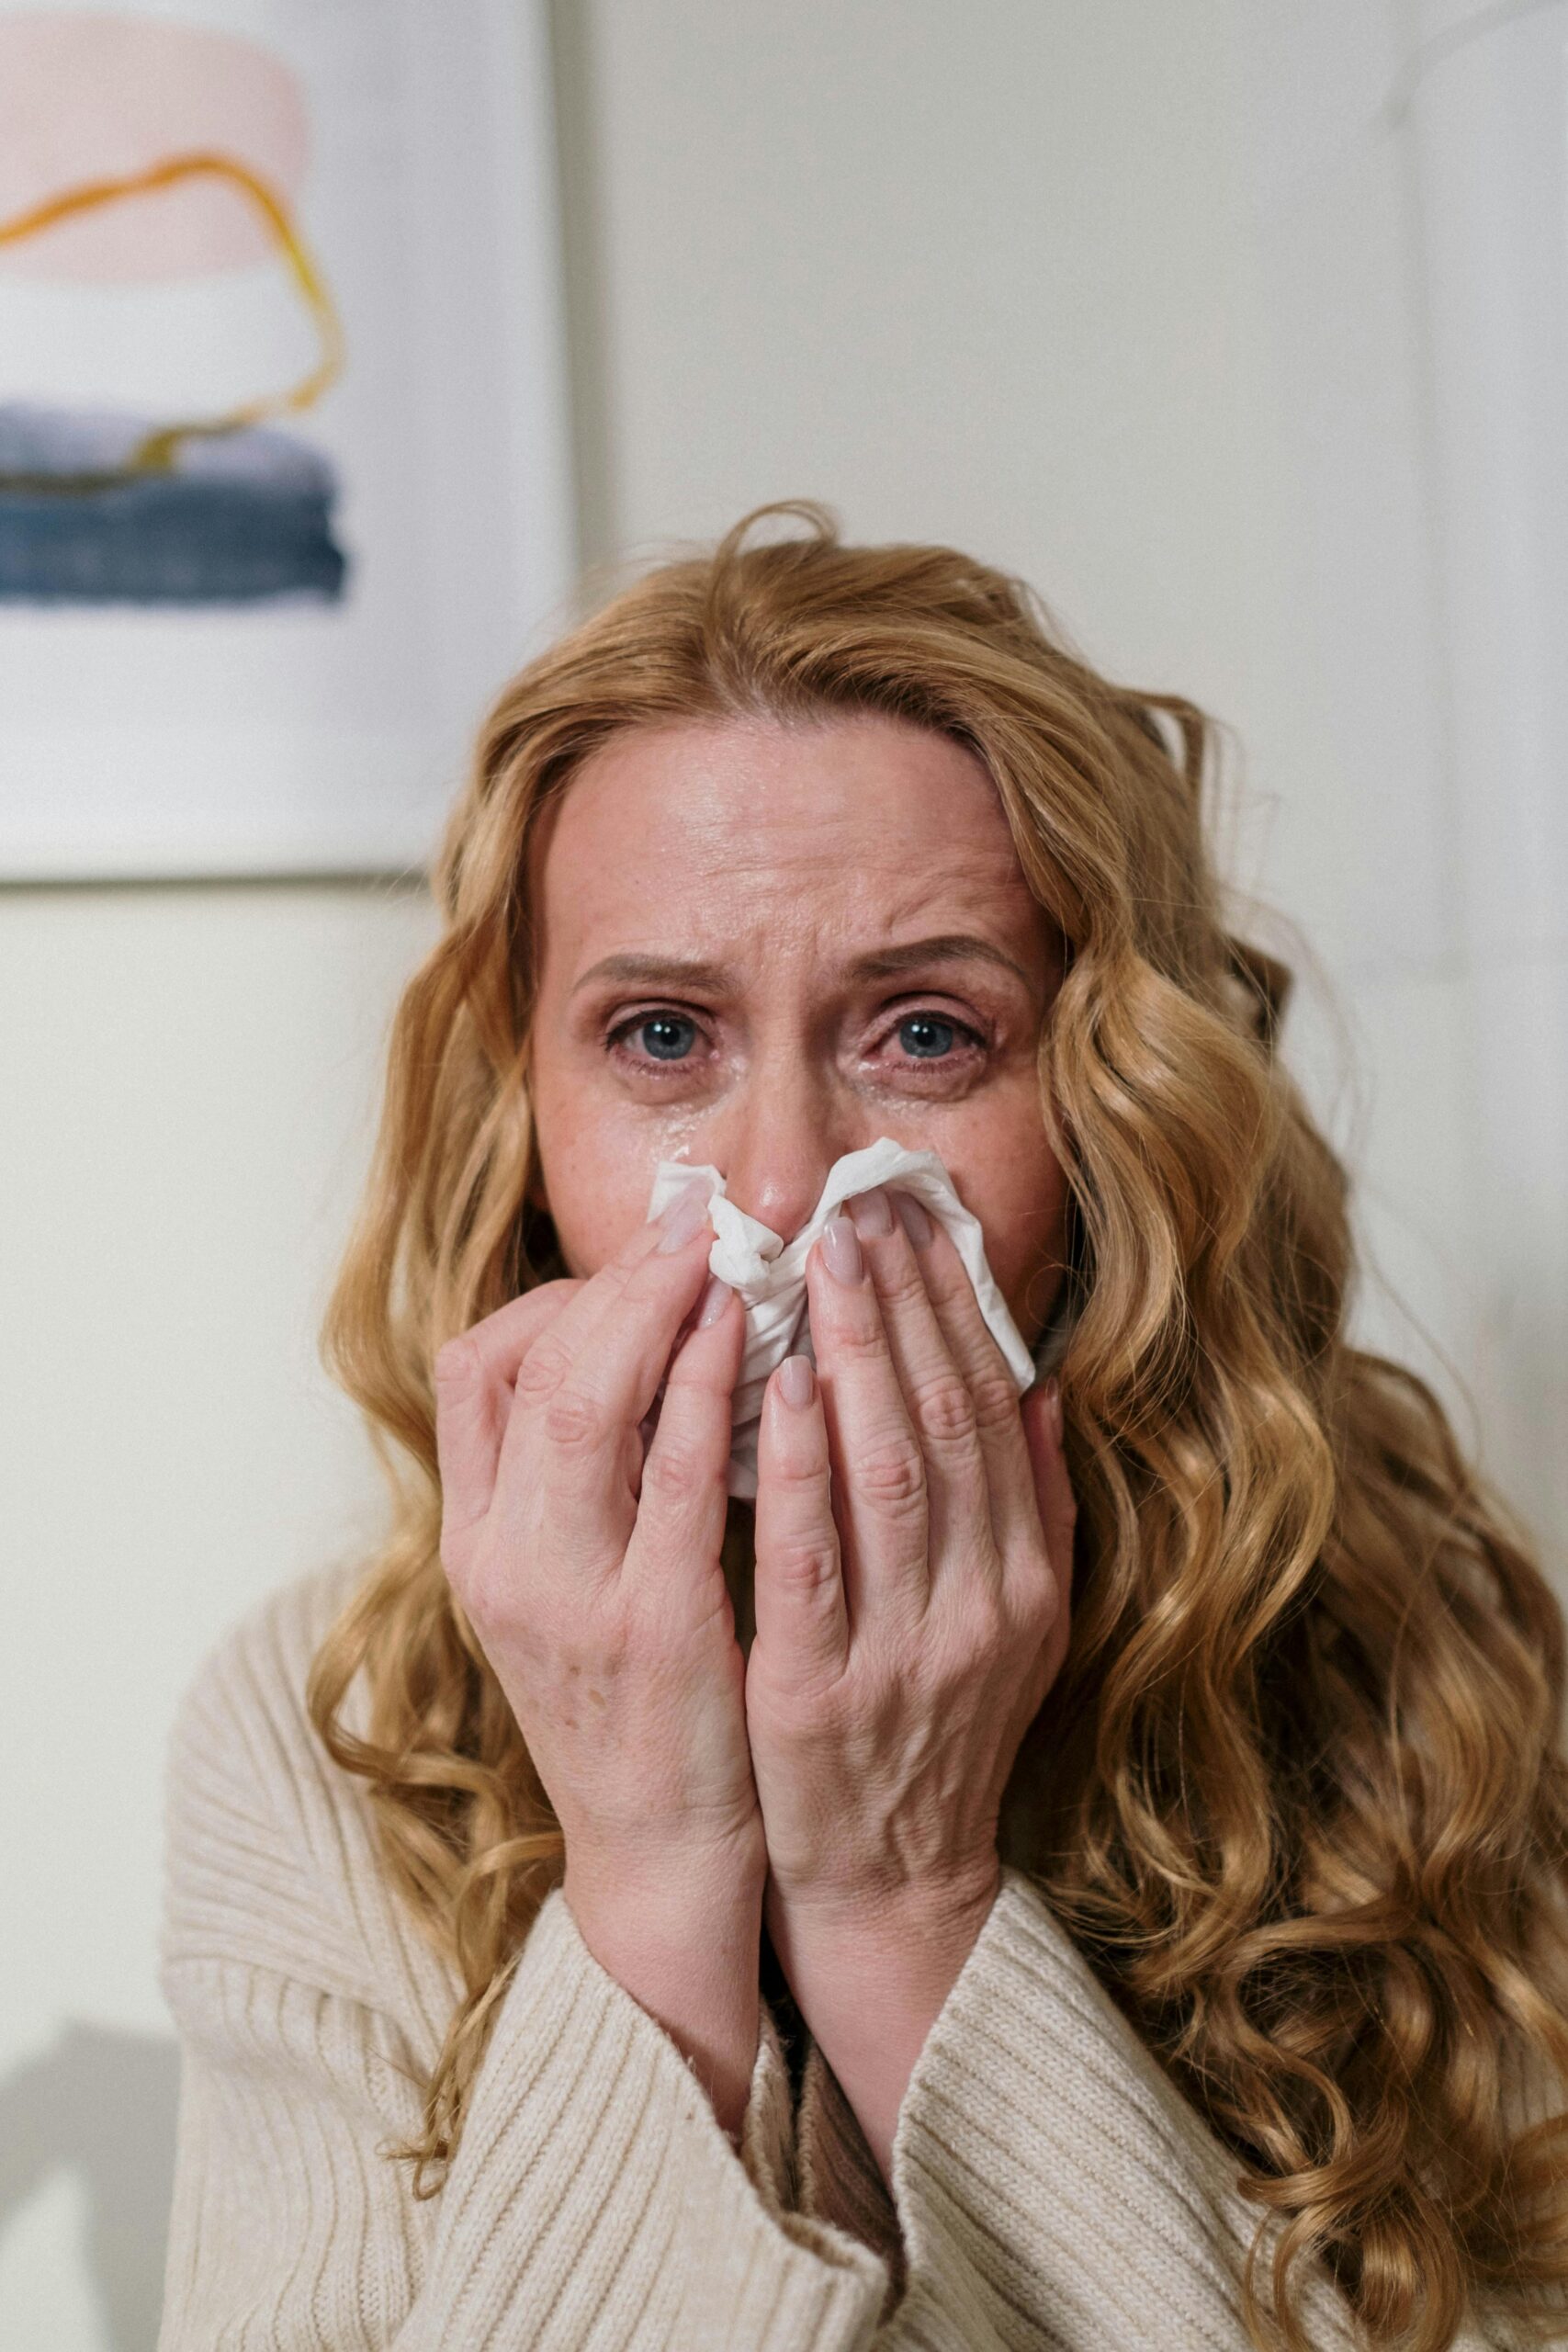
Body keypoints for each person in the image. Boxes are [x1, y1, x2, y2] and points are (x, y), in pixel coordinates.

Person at [155, 505, 1568, 2351]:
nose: (780, 1182)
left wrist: (904, 1903)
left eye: (921, 1031)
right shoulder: (322, 1734)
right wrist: (651, 1885)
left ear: (1108, 1104)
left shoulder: (1427, 1664)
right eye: (662, 1037)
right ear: (526, 1119)